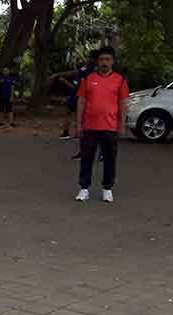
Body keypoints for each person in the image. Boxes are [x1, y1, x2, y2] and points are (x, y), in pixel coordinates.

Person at [75, 46, 128, 203]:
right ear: (97, 62)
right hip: (90, 126)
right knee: (86, 158)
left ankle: (107, 189)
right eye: (101, 59)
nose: (104, 62)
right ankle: (84, 189)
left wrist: (122, 124)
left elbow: (123, 103)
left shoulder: (120, 80)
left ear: (113, 61)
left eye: (108, 59)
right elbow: (81, 101)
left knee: (110, 159)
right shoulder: (88, 79)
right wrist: (78, 123)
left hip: (110, 127)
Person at [56, 50, 98, 139]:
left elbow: (86, 85)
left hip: (81, 94)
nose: (87, 58)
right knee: (68, 111)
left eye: (89, 57)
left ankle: (78, 133)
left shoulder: (93, 70)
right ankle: (66, 132)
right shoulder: (85, 67)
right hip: (74, 92)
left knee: (79, 113)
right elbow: (75, 74)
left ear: (93, 59)